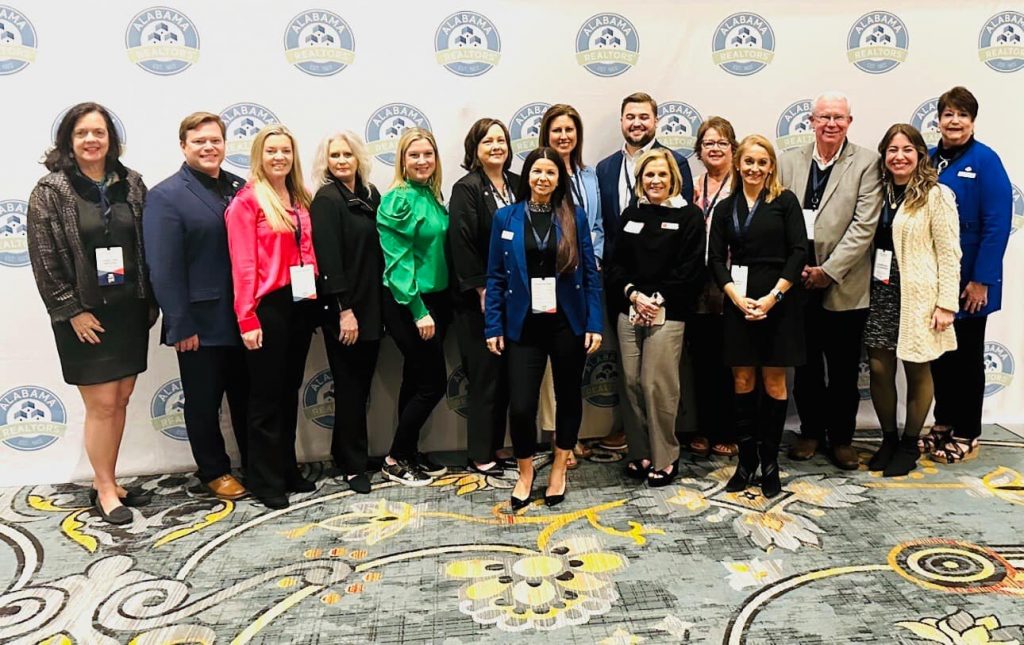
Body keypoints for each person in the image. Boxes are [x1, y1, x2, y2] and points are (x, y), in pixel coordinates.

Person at [27, 102, 155, 524]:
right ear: (69, 140)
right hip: (84, 316)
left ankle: (110, 478)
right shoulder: (51, 191)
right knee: (101, 403)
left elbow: (147, 246)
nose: (91, 140)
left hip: (128, 310)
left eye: (99, 132)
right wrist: (71, 311)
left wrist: (150, 302)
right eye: (82, 133)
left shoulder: (132, 184)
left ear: (110, 140)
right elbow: (44, 260)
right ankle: (103, 489)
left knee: (120, 399)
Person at [485, 147, 603, 509]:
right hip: (523, 323)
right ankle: (525, 472)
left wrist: (594, 322)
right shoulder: (506, 218)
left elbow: (589, 275)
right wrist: (493, 326)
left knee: (568, 396)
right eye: (537, 171)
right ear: (527, 175)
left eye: (550, 173)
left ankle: (558, 469)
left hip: (566, 322)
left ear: (558, 179)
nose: (543, 178)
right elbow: (495, 277)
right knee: (521, 406)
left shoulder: (574, 216)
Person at [144, 112, 249, 501]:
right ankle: (214, 470)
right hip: (200, 323)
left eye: (215, 140)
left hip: (244, 318)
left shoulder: (239, 187)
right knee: (204, 401)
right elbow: (163, 268)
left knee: (246, 396)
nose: (209, 147)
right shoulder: (166, 196)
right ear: (184, 146)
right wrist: (179, 324)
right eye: (199, 141)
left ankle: (253, 462)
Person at [778, 91, 882, 470]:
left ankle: (841, 439)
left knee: (841, 371)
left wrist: (829, 271)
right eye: (824, 117)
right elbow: (779, 218)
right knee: (804, 368)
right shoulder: (788, 161)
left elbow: (864, 225)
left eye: (839, 117)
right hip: (797, 283)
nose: (831, 124)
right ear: (811, 122)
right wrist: (796, 272)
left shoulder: (868, 163)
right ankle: (809, 432)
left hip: (844, 283)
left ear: (849, 123)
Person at [708, 134, 807, 499]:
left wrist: (772, 297)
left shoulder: (785, 202)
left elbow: (799, 252)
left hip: (777, 304)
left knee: (774, 383)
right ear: (738, 163)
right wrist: (735, 296)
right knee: (743, 380)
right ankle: (745, 460)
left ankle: (770, 464)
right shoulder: (725, 206)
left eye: (761, 162)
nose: (754, 168)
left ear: (771, 167)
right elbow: (716, 259)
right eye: (748, 161)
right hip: (739, 302)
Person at [225, 124, 318, 510]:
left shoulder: (298, 197)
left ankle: (286, 467)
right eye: (271, 151)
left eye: (286, 151)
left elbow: (307, 249)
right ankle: (264, 479)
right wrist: (246, 318)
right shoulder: (246, 203)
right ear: (259, 156)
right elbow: (244, 265)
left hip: (299, 302)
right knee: (264, 397)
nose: (279, 157)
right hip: (266, 307)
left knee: (288, 391)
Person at [865, 124, 961, 477]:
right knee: (878, 367)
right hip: (880, 291)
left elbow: (950, 253)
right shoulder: (878, 191)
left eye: (907, 149)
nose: (899, 156)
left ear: (921, 154)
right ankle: (888, 439)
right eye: (892, 150)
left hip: (919, 294)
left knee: (918, 366)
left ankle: (909, 443)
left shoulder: (937, 195)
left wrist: (946, 303)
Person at [605, 149, 705, 486]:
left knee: (656, 385)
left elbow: (691, 270)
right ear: (640, 180)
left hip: (669, 310)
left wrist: (657, 299)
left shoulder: (689, 216)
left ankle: (665, 457)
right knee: (632, 383)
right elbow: (615, 263)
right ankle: (640, 452)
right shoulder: (630, 214)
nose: (655, 180)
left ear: (673, 178)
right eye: (649, 175)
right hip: (630, 306)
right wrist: (634, 294)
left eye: (662, 174)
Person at [925, 86, 1012, 463]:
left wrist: (982, 280)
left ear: (972, 121)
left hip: (971, 280)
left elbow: (998, 224)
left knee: (967, 357)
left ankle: (967, 431)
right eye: (948, 114)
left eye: (962, 115)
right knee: (941, 356)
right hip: (935, 277)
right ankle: (943, 422)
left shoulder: (987, 161)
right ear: (939, 120)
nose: (954, 121)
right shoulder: (928, 160)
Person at [309, 131, 383, 494]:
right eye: (334, 155)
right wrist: (344, 311)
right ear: (326, 161)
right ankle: (354, 467)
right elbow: (328, 260)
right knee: (350, 387)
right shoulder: (325, 199)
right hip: (346, 311)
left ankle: (347, 452)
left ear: (358, 158)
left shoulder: (370, 195)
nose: (341, 160)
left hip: (372, 305)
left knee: (361, 385)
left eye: (347, 154)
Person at [377, 128, 451, 486]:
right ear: (402, 161)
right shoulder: (398, 200)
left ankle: (407, 451)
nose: (422, 161)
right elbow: (398, 262)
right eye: (414, 155)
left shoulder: (431, 195)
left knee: (416, 378)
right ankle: (394, 457)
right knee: (433, 384)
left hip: (436, 301)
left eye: (428, 154)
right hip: (410, 304)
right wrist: (419, 310)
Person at [448, 118, 518, 475]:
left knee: (507, 374)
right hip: (479, 301)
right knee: (485, 375)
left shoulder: (518, 184)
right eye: (488, 140)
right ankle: (479, 453)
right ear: (474, 148)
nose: (496, 146)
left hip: (515, 299)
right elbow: (461, 243)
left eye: (501, 140)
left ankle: (495, 444)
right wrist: (481, 289)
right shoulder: (467, 188)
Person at [538, 104, 603, 466]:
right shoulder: (537, 172)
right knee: (549, 367)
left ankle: (570, 435)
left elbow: (597, 226)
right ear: (547, 135)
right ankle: (554, 436)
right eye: (557, 130)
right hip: (549, 283)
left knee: (572, 362)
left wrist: (593, 259)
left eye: (570, 130)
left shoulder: (590, 176)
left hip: (585, 278)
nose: (564, 136)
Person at [686, 116, 739, 459]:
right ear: (699, 150)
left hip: (734, 282)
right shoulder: (691, 185)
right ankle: (704, 428)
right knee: (702, 361)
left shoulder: (743, 183)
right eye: (708, 143)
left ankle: (730, 430)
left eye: (722, 142)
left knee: (731, 360)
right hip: (698, 284)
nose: (715, 148)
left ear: (733, 148)